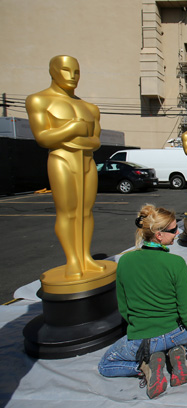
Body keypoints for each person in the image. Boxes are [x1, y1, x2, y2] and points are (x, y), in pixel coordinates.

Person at [98, 204, 187, 399]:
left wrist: (138, 327)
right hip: (177, 334)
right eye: (173, 230)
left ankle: (144, 367)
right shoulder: (176, 264)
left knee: (106, 365)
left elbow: (123, 306)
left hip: (143, 339)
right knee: (170, 339)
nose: (178, 232)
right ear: (158, 234)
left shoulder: (124, 262)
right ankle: (173, 352)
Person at [26, 55, 106, 278]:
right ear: (52, 71)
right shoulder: (39, 100)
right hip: (62, 159)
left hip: (87, 161)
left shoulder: (89, 107)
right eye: (65, 70)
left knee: (86, 211)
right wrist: (73, 129)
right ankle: (73, 259)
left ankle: (86, 257)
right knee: (67, 211)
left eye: (76, 71)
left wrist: (74, 137)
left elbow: (96, 141)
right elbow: (43, 138)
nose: (72, 77)